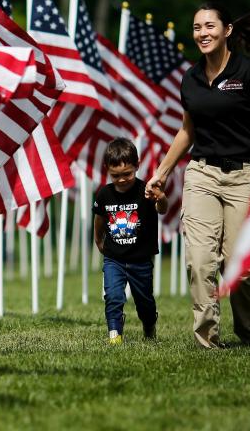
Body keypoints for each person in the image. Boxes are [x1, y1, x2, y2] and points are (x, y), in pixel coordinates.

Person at [145, 3, 250, 349]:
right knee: (199, 261)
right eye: (197, 27)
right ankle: (207, 338)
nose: (202, 33)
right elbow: (186, 131)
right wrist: (161, 173)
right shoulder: (190, 79)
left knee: (242, 267)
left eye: (209, 26)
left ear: (227, 31)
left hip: (245, 176)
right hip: (202, 174)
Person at [93, 138, 168, 345]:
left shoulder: (146, 191)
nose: (122, 180)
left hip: (140, 260)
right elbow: (99, 218)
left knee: (144, 302)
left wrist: (160, 197)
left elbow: (163, 209)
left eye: (127, 174)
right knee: (113, 296)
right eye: (115, 175)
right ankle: (114, 333)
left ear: (137, 164)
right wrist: (98, 240)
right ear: (107, 169)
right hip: (114, 259)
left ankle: (149, 325)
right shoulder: (104, 194)